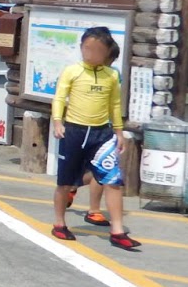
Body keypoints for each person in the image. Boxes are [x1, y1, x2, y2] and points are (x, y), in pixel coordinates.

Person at [51, 26, 140, 250]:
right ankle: (59, 223)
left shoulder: (111, 75)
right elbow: (60, 97)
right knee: (64, 182)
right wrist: (58, 122)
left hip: (102, 134)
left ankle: (117, 231)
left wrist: (118, 132)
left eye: (97, 50)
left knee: (113, 181)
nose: (91, 53)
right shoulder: (72, 71)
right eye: (87, 48)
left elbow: (115, 104)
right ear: (81, 47)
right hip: (74, 131)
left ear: (107, 52)